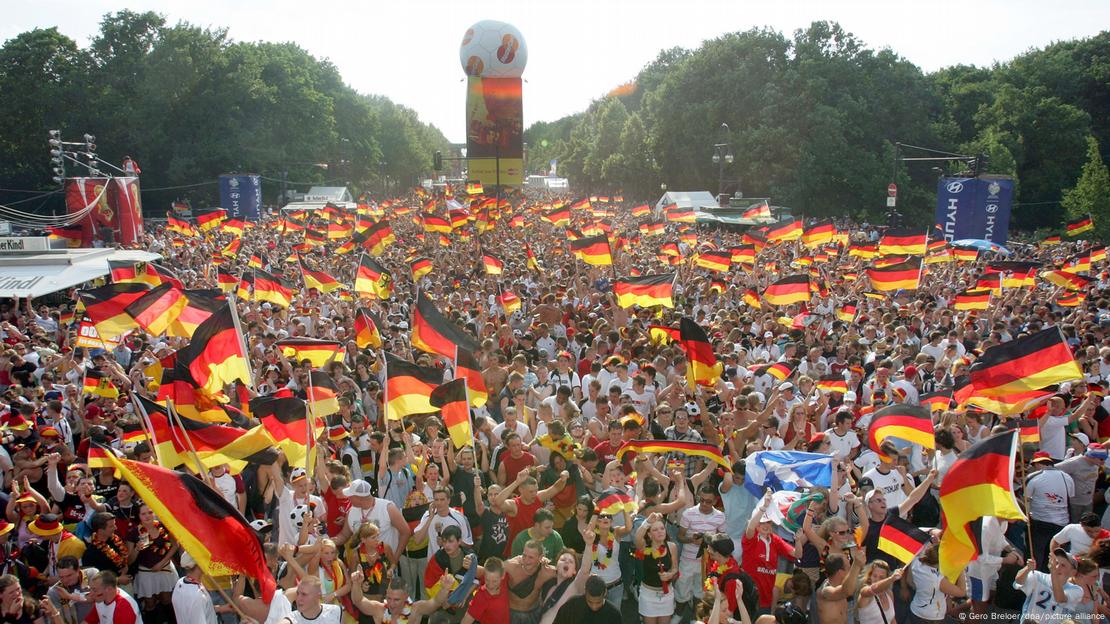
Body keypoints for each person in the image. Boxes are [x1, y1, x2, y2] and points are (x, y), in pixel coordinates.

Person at [347, 571, 454, 623]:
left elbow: (436, 602)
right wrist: (356, 583)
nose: (391, 603)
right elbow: (358, 601)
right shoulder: (379, 609)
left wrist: (445, 589)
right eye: (389, 598)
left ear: (406, 596)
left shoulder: (416, 610)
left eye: (396, 600)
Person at [1015, 548, 1083, 621]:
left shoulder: (1076, 590)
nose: (1057, 567)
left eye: (1063, 565)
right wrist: (1027, 569)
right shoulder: (1038, 576)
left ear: (1072, 572)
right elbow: (1018, 581)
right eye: (1056, 563)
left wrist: (1053, 573)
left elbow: (1060, 599)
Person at [634, 512, 678, 624]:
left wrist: (670, 575)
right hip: (648, 595)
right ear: (649, 535)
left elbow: (675, 569)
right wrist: (647, 522)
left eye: (662, 528)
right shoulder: (644, 548)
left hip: (666, 594)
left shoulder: (672, 546)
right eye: (655, 530)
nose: (660, 531)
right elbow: (637, 538)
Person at [814, 549, 862, 624]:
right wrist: (856, 564)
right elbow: (846, 591)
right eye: (849, 568)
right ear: (840, 572)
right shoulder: (825, 590)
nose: (850, 572)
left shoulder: (843, 585)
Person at [171, 551, 219, 624]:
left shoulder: (180, 582)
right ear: (199, 565)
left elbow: (198, 610)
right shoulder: (198, 596)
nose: (209, 563)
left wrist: (223, 609)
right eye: (205, 560)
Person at [551, 575, 621, 624]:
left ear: (605, 593)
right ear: (585, 591)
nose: (594, 607)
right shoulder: (572, 606)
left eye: (598, 603)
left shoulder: (613, 614)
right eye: (590, 602)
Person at [462, 557, 509, 624]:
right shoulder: (481, 597)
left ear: (503, 576)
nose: (490, 585)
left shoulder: (506, 579)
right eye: (487, 580)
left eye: (494, 581)